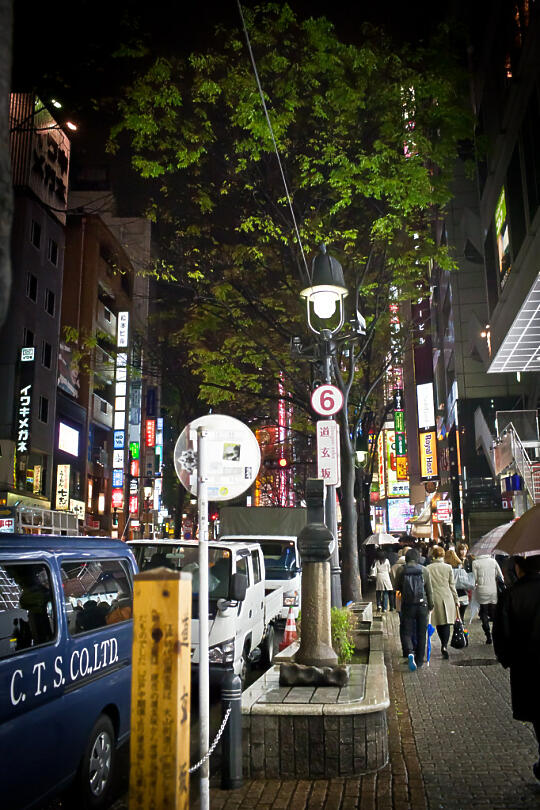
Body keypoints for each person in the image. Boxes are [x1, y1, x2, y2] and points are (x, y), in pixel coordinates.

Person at [493, 555, 540, 781]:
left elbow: (501, 633)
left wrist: (507, 658)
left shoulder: (511, 594)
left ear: (519, 568)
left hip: (527, 666)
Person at [393, 548, 434, 670]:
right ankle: (419, 661)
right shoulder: (424, 570)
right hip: (422, 606)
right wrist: (431, 605)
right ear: (418, 558)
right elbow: (429, 591)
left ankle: (410, 651)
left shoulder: (401, 570)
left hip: (407, 605)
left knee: (407, 631)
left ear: (406, 558)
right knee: (421, 634)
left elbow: (396, 587)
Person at [426, 545, 460, 659]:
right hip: (447, 597)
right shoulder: (448, 567)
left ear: (433, 556)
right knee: (446, 623)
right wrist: (456, 600)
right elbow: (452, 585)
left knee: (440, 623)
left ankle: (443, 644)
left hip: (434, 597)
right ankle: (444, 645)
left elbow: (426, 585)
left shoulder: (428, 568)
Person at [472, 552, 504, 644]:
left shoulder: (475, 563)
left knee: (484, 613)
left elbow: (475, 578)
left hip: (481, 590)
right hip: (493, 590)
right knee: (494, 613)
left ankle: (488, 635)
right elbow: (500, 576)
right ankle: (495, 633)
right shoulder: (493, 561)